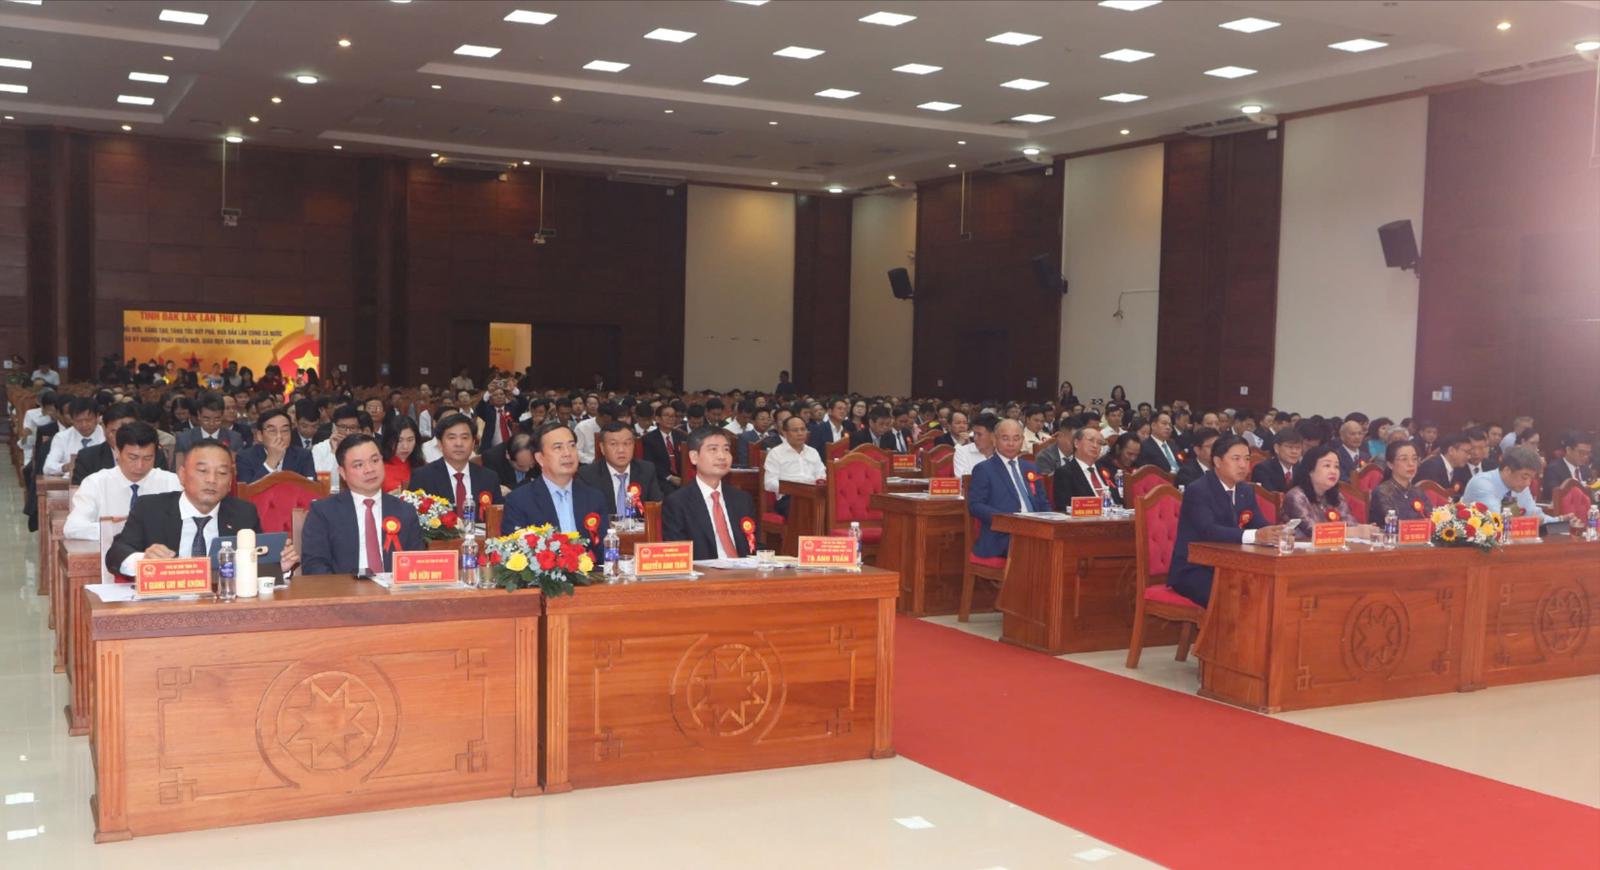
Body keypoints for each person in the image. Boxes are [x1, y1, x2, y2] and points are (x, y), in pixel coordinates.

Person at [105, 439, 300, 577]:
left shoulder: (243, 513)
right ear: (182, 475)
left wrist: (280, 566)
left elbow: (257, 560)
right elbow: (116, 553)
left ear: (230, 482)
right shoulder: (150, 508)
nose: (212, 480)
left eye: (222, 473)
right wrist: (144, 560)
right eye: (202, 471)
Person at [1167, 435, 1287, 607]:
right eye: (1236, 459)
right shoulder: (1198, 490)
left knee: (1266, 590)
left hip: (1232, 565)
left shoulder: (1245, 490)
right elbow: (1209, 531)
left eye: (1247, 459)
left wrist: (1276, 532)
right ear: (1217, 461)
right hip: (1196, 568)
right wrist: (1256, 536)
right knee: (1234, 597)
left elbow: (1258, 523)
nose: (1243, 465)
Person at [299, 434, 424, 575]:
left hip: (393, 588)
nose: (369, 469)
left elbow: (417, 563)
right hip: (344, 587)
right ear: (343, 473)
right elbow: (314, 566)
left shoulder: (405, 511)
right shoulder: (323, 512)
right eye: (359, 465)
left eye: (375, 460)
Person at [503, 422, 611, 556]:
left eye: (572, 446)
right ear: (539, 458)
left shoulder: (594, 498)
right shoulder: (519, 501)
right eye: (558, 447)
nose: (567, 453)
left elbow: (604, 551)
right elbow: (515, 555)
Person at [64, 422, 180, 541]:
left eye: (147, 458)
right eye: (132, 458)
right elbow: (72, 528)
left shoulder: (171, 483)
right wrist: (119, 529)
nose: (140, 466)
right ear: (117, 452)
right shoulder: (95, 483)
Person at [661, 427, 758, 560]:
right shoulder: (677, 503)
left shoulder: (742, 499)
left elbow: (754, 545)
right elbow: (678, 555)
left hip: (744, 570)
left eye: (726, 449)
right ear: (694, 457)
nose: (722, 456)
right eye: (713, 449)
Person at [967, 420, 1049, 560]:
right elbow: (975, 505)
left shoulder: (1031, 467)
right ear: (994, 439)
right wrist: (1008, 521)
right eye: (1005, 438)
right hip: (1002, 536)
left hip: (1035, 531)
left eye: (1016, 439)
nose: (1011, 444)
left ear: (1022, 440)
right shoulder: (984, 469)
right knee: (1035, 551)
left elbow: (1043, 502)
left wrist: (1052, 520)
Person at [1462, 446, 1577, 528]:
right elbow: (1498, 520)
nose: (1528, 483)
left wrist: (1560, 521)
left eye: (1531, 478)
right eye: (1524, 477)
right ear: (1507, 470)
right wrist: (1531, 521)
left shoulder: (1520, 486)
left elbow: (1535, 514)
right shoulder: (1482, 484)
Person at [410, 413, 504, 510]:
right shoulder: (422, 477)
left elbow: (498, 514)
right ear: (440, 444)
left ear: (473, 444)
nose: (459, 444)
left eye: (464, 438)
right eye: (452, 438)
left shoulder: (489, 478)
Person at [1281, 445, 1376, 539]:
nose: (1333, 471)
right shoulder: (1296, 496)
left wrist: (1364, 528)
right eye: (1327, 465)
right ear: (1310, 470)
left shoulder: (1337, 496)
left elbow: (1350, 523)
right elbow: (1312, 531)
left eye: (1336, 466)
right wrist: (1355, 531)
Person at [578, 422, 664, 518]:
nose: (621, 450)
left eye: (627, 443)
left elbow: (656, 507)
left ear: (634, 445)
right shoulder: (588, 475)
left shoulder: (646, 470)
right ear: (602, 448)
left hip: (638, 527)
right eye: (613, 444)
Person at [73, 402, 170, 483]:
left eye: (128, 432)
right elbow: (79, 493)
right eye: (114, 431)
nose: (122, 438)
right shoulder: (87, 458)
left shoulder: (154, 455)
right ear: (104, 429)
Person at [762, 413, 827, 517]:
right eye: (795, 430)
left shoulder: (813, 452)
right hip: (789, 498)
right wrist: (794, 488)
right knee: (802, 508)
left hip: (813, 495)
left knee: (831, 507)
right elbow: (769, 483)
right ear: (785, 433)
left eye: (803, 429)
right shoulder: (775, 453)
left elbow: (822, 476)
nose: (800, 433)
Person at [235, 407, 317, 484]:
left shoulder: (303, 456)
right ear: (260, 435)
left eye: (285, 430)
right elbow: (247, 491)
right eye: (272, 431)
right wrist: (271, 462)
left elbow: (311, 488)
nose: (279, 436)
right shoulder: (245, 457)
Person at [1052, 426, 1122, 509]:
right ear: (1076, 443)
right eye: (1091, 440)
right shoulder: (1065, 473)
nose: (1095, 446)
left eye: (1099, 443)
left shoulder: (1106, 470)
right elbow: (1064, 507)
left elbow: (1118, 501)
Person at [1368, 440, 1430, 522]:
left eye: (1414, 459)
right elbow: (1394, 523)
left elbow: (1431, 518)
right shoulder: (1382, 492)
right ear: (1390, 464)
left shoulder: (1418, 492)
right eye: (1404, 459)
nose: (1411, 464)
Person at [43, 397, 104, 478]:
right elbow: (47, 467)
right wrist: (67, 467)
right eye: (78, 421)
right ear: (72, 419)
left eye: (88, 420)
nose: (84, 425)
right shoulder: (62, 437)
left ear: (97, 417)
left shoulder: (106, 435)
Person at [311, 405, 364, 493]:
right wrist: (334, 452)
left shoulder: (364, 447)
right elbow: (323, 481)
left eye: (352, 427)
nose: (348, 432)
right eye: (343, 427)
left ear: (359, 429)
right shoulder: (319, 449)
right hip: (329, 494)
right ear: (334, 427)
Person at [641, 402, 685, 491]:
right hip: (661, 479)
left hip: (681, 478)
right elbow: (650, 464)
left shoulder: (682, 436)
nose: (671, 419)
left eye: (673, 416)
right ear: (657, 419)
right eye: (667, 415)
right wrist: (669, 477)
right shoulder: (649, 439)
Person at [1417, 433, 1472, 499]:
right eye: (1466, 452)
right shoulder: (1431, 467)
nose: (1469, 457)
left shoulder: (1459, 469)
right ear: (1451, 450)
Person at [1250, 427, 1304, 493]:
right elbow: (1270, 496)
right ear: (1277, 448)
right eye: (1290, 447)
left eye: (1298, 448)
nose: (1294, 451)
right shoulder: (1263, 469)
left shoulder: (1301, 468)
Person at [381, 416, 427, 492]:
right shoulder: (378, 467)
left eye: (410, 440)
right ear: (388, 440)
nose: (405, 446)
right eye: (399, 440)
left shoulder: (423, 466)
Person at [953, 413, 999, 479]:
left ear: (993, 435)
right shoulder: (962, 452)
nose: (975, 438)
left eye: (979, 435)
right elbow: (963, 481)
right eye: (974, 433)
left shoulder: (1003, 452)